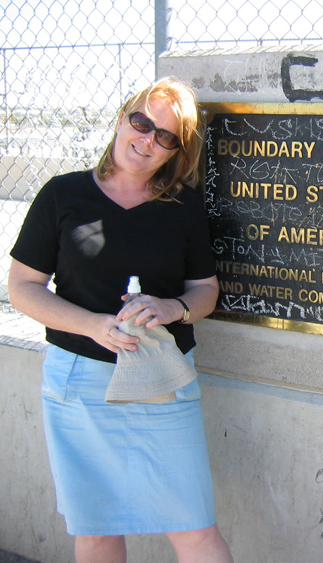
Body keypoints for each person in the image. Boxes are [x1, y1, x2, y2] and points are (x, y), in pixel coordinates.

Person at [8, 77, 233, 563]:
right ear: (122, 118)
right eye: (141, 122)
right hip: (80, 384)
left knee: (195, 528)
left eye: (165, 136)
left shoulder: (183, 207)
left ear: (177, 151)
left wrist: (173, 308)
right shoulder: (61, 194)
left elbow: (205, 291)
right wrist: (91, 324)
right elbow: (23, 288)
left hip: (162, 382)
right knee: (97, 532)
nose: (147, 139)